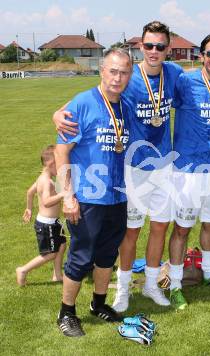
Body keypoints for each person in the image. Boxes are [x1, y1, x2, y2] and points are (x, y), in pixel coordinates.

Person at [53, 21, 183, 311]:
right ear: (140, 47)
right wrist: (58, 113)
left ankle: (150, 285)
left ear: (168, 49)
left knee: (159, 227)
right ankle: (122, 291)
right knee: (130, 232)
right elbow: (91, 99)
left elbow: (203, 83)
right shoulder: (129, 76)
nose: (154, 51)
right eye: (149, 45)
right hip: (131, 169)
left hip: (163, 166)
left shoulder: (174, 73)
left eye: (160, 46)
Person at [55, 48, 132, 337]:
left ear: (129, 75)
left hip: (116, 195)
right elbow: (62, 152)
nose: (117, 77)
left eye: (123, 72)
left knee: (107, 254)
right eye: (112, 71)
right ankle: (66, 312)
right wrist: (67, 196)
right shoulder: (83, 102)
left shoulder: (124, 105)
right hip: (87, 197)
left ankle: (98, 303)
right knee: (81, 257)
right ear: (101, 71)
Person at [168, 33, 210, 310]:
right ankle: (174, 284)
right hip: (188, 168)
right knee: (182, 228)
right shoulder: (185, 81)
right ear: (201, 56)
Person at [16, 145, 66, 286]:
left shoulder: (43, 176)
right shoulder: (46, 181)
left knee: (62, 245)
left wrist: (29, 208)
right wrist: (63, 194)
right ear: (52, 164)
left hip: (53, 222)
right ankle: (23, 270)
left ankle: (57, 275)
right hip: (47, 224)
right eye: (60, 164)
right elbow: (46, 201)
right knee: (50, 253)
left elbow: (30, 192)